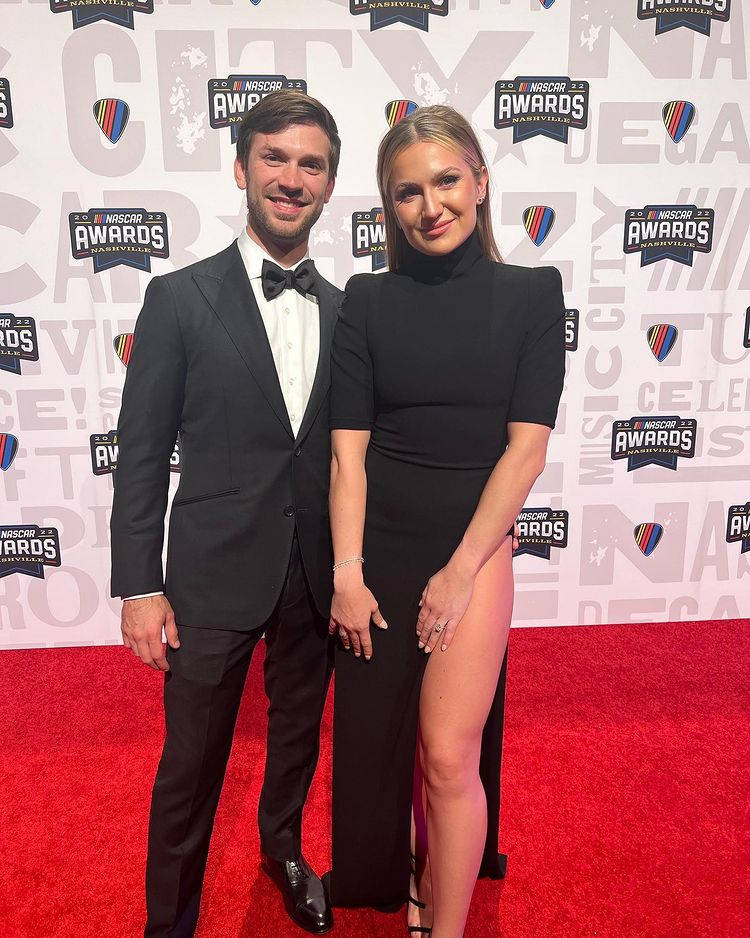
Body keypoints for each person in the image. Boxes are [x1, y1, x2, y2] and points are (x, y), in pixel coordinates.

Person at [327, 105, 566, 938]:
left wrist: (462, 568)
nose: (430, 205)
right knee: (384, 751)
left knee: (445, 755)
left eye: (446, 181)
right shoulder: (364, 299)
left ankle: (449, 922)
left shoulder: (534, 294)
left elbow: (525, 454)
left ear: (481, 180)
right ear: (387, 207)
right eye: (406, 192)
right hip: (377, 548)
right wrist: (347, 574)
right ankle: (407, 880)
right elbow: (347, 457)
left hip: (475, 546)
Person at [110, 90, 343, 937]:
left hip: (313, 570)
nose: (291, 178)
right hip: (210, 574)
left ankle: (282, 846)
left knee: (297, 739)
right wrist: (139, 584)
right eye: (275, 158)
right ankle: (169, 923)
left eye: (311, 163)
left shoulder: (349, 312)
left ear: (328, 185)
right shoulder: (178, 300)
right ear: (241, 169)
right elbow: (140, 450)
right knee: (190, 767)